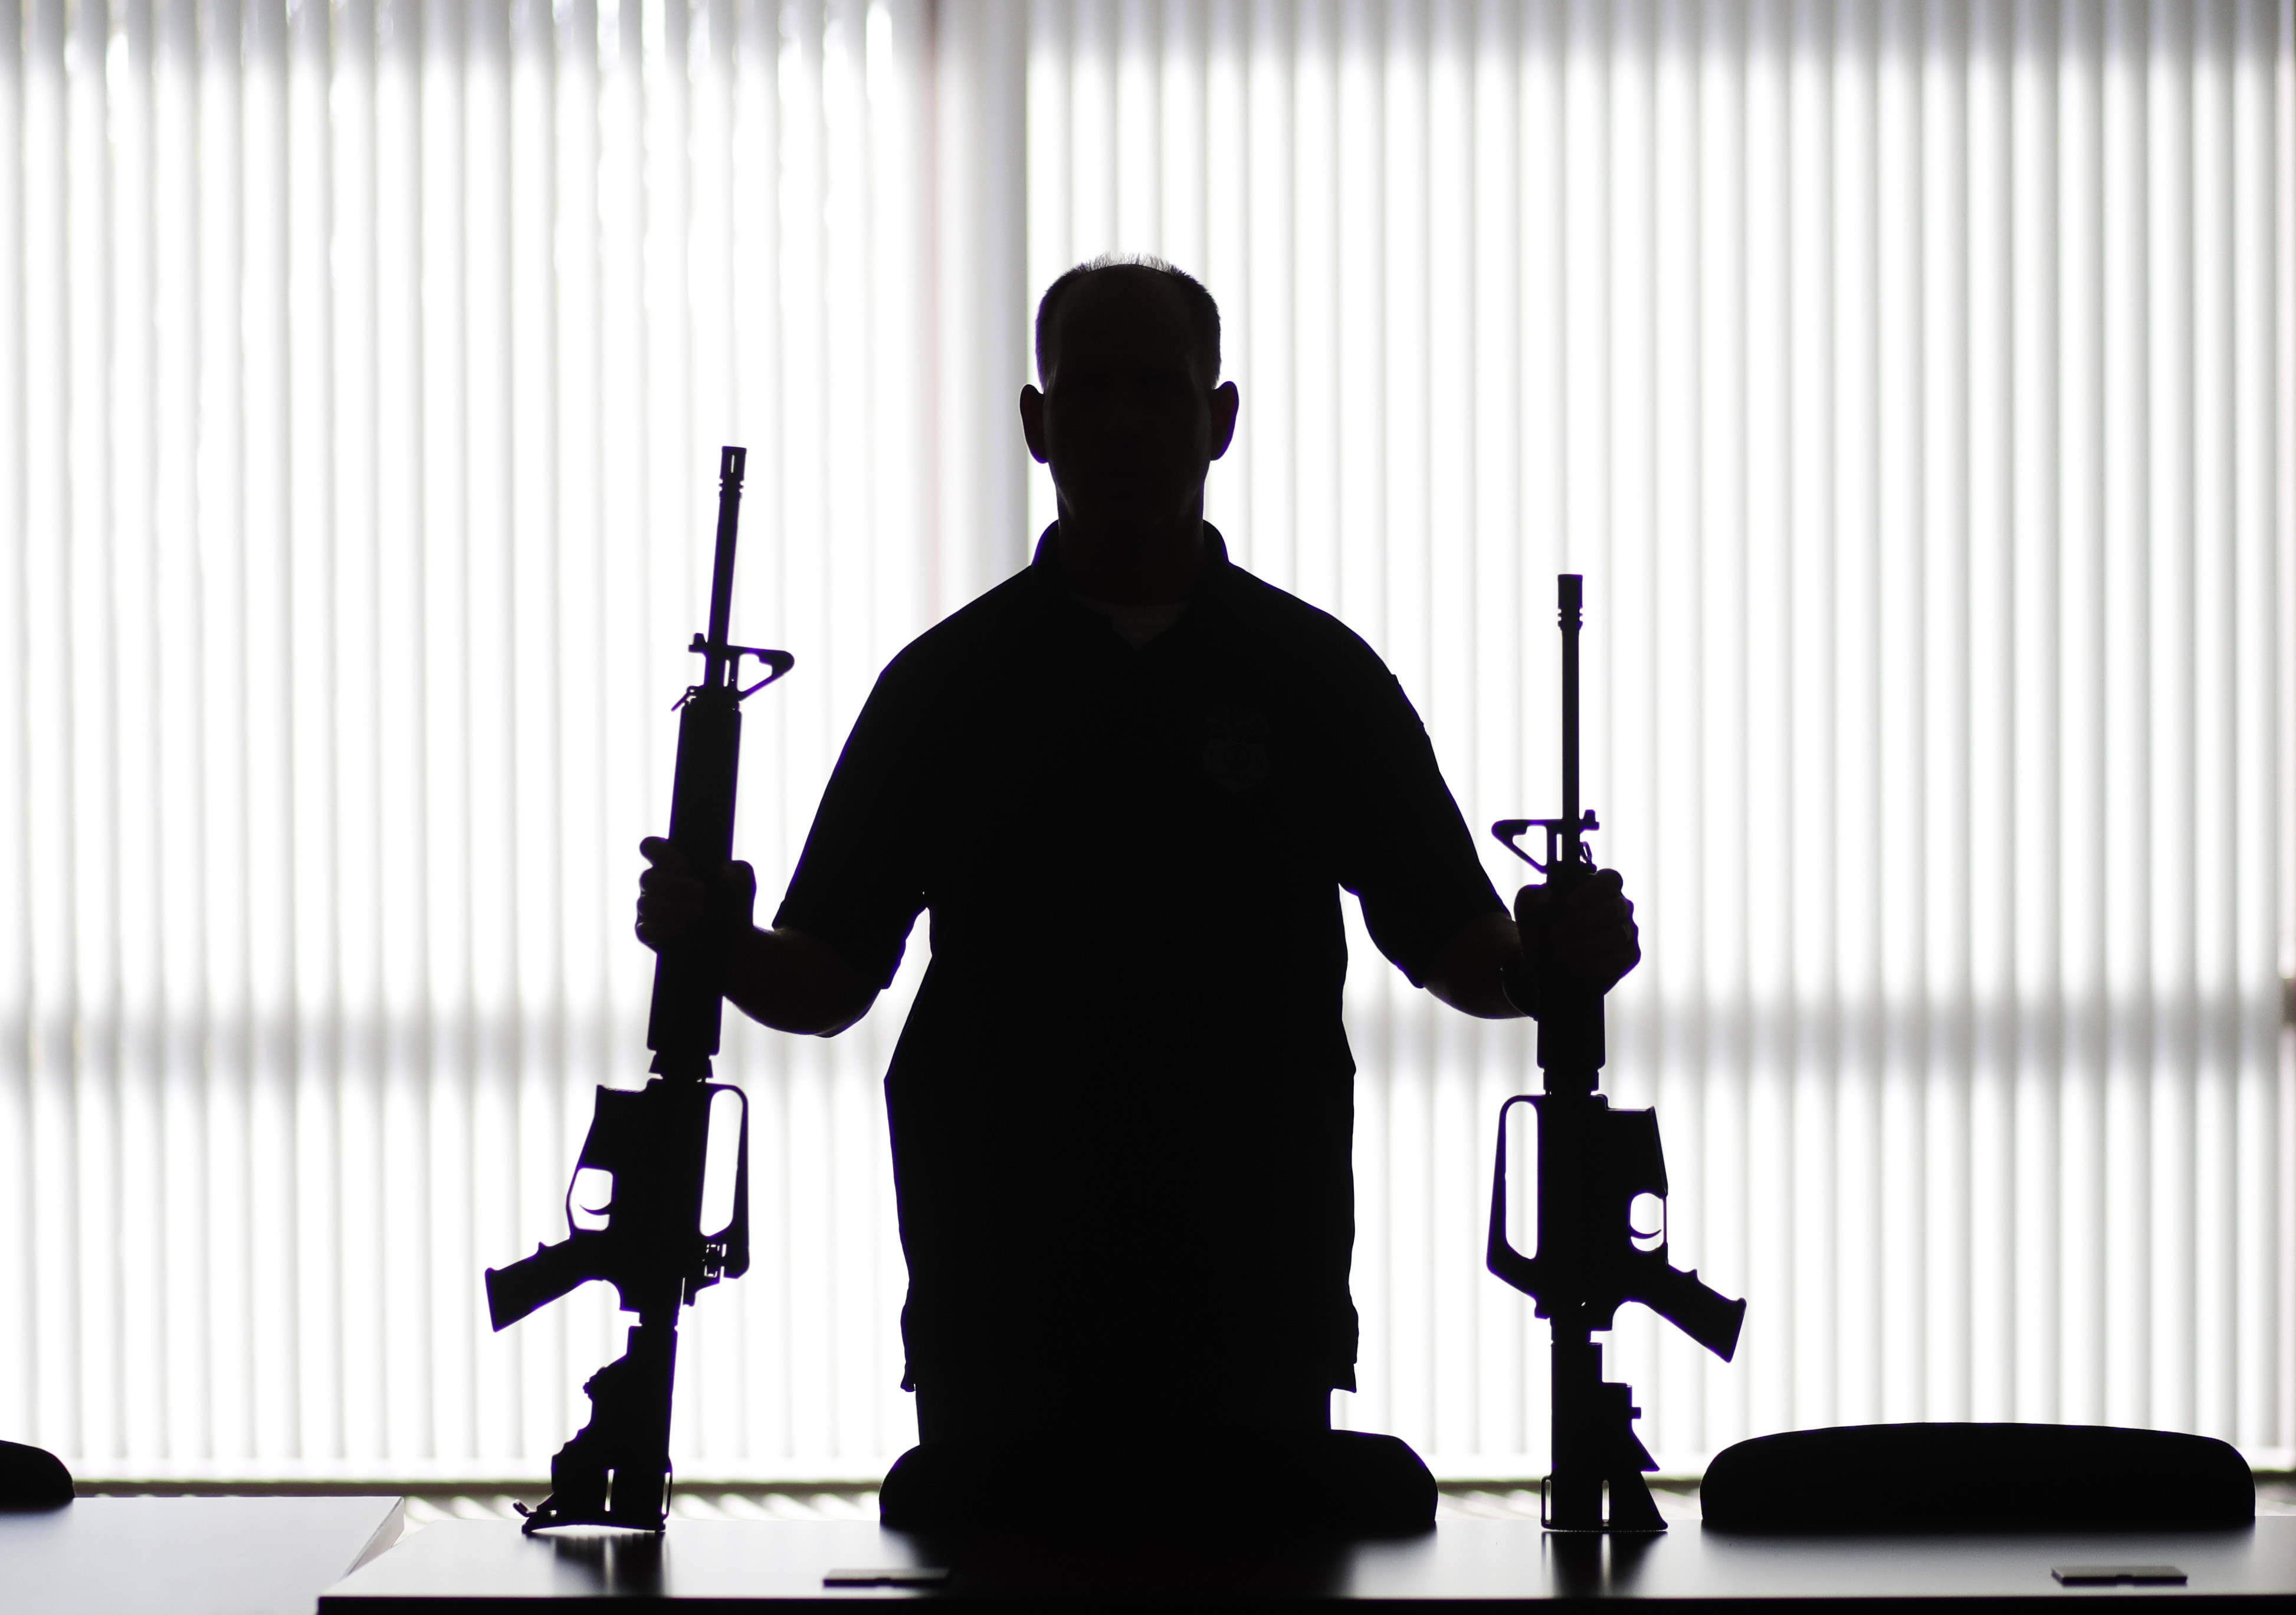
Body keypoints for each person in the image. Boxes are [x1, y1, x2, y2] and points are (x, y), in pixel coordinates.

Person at [635, 256, 1640, 1529]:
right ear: (1034, 421)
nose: (1120, 422)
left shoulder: (1313, 676)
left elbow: (1456, 946)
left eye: (1155, 392)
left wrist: (1550, 959)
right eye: (1088, 390)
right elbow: (826, 979)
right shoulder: (947, 686)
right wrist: (718, 944)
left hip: (1249, 1298)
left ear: (1216, 419)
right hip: (999, 1299)